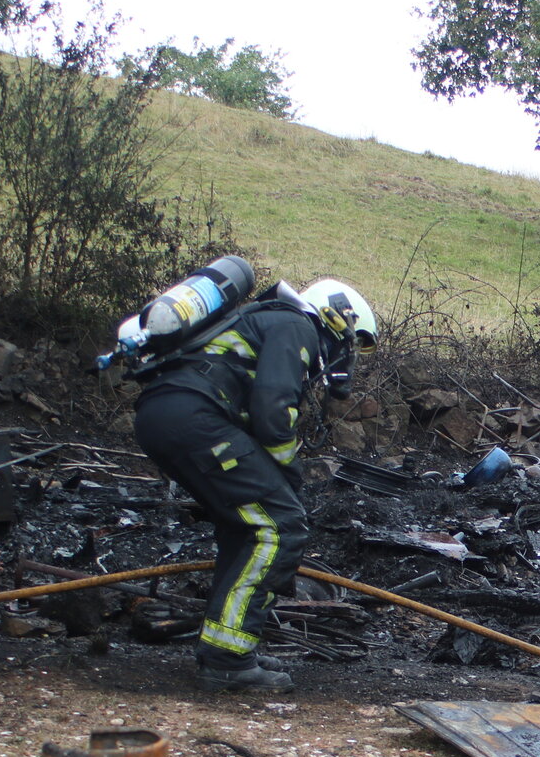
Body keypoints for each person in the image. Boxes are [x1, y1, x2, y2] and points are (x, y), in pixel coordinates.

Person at [133, 279, 374, 693]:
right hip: (196, 418)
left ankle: (224, 648)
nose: (344, 355)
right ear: (337, 320)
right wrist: (289, 475)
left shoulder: (261, 321)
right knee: (280, 526)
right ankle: (229, 660)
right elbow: (273, 410)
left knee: (243, 528)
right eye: (350, 342)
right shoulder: (295, 325)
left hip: (165, 415)